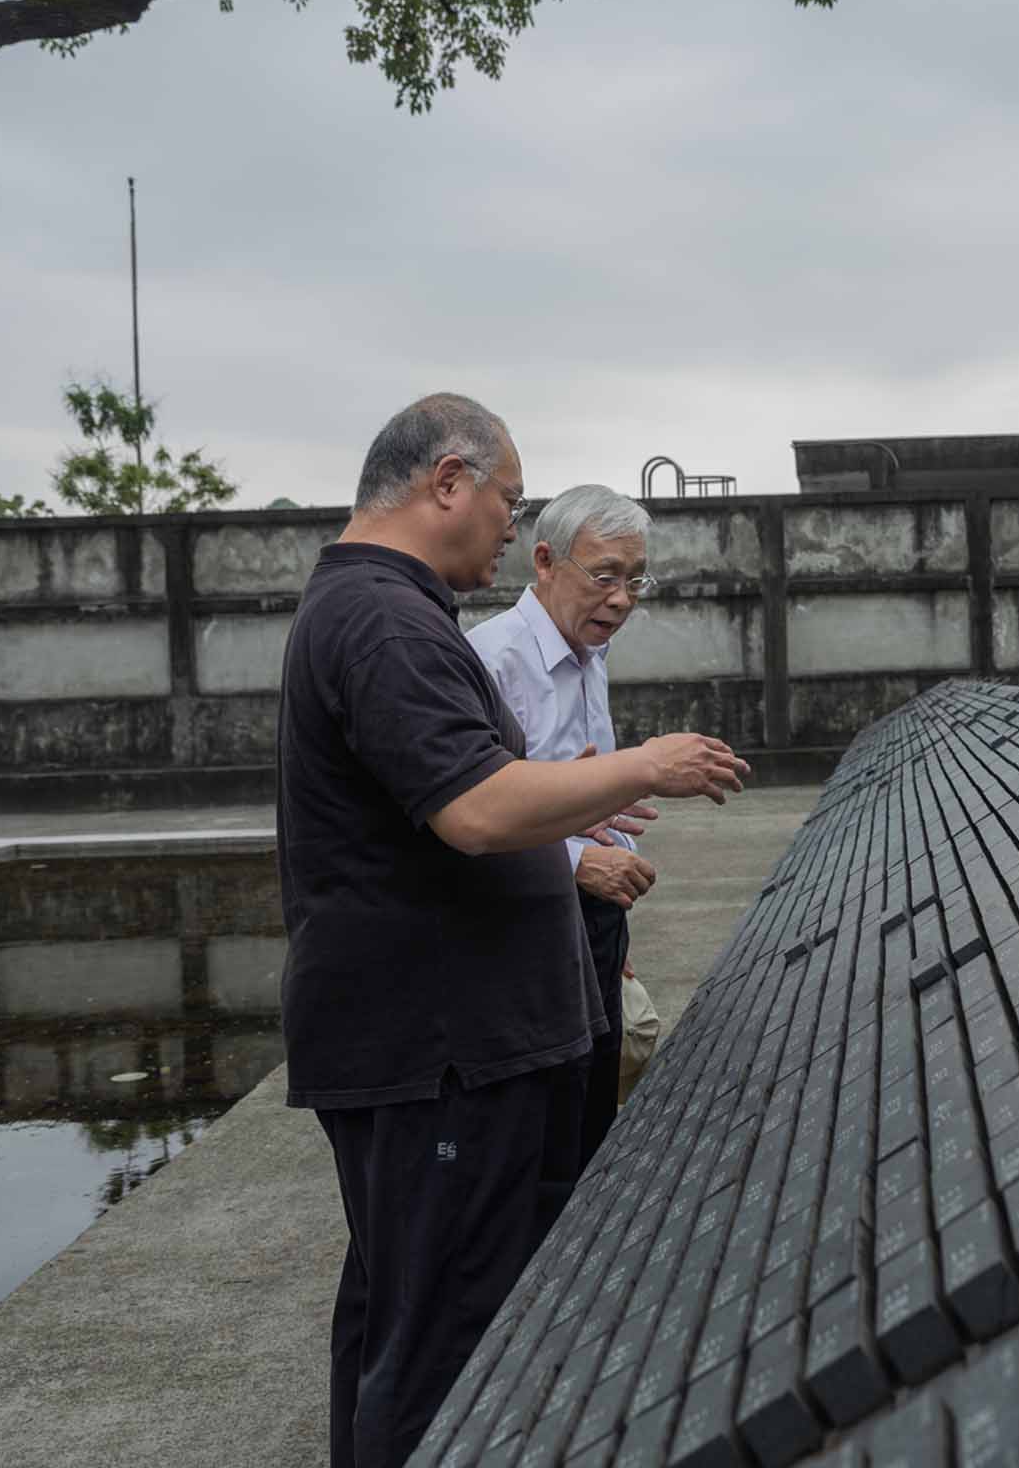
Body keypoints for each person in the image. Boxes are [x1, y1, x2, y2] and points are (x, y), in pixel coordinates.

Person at [275, 393, 748, 1468]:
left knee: (399, 1311)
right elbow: (478, 810)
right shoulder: (390, 622)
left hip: (432, 1040)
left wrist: (577, 786)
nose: (504, 522)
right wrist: (646, 764)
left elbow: (461, 792)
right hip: (439, 1050)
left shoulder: (382, 610)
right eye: (505, 499)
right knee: (443, 1338)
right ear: (448, 481)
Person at [467, 484, 658, 1167]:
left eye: (636, 580)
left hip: (593, 915)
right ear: (544, 561)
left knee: (592, 1115)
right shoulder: (490, 661)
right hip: (523, 926)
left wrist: (607, 929)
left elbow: (587, 794)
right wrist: (578, 864)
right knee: (540, 1131)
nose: (622, 598)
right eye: (605, 576)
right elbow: (471, 815)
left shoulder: (590, 654)